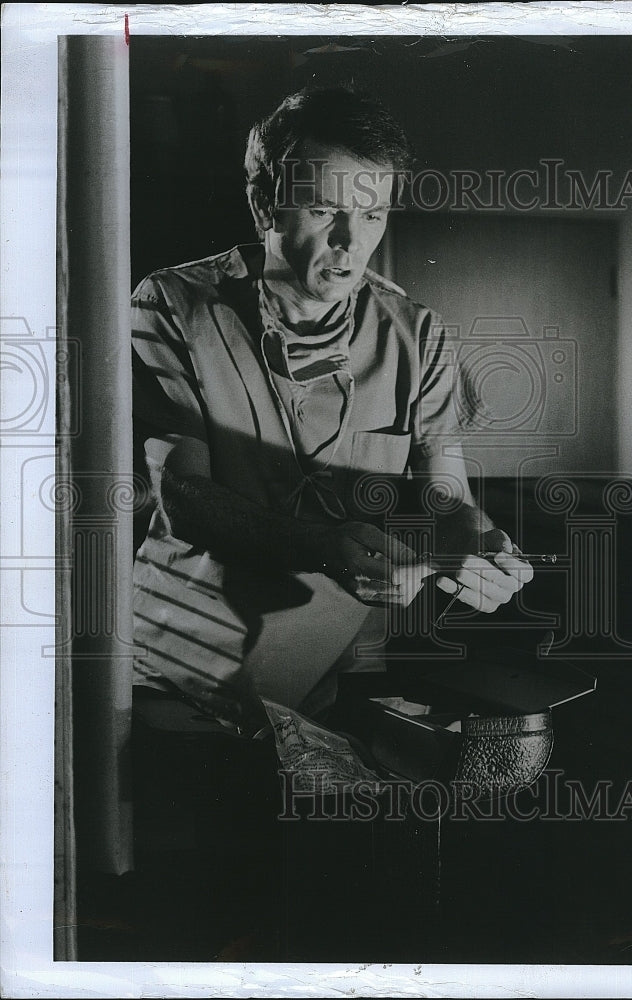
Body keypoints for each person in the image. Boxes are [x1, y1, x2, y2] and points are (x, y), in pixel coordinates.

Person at [131, 86, 533, 732]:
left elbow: (445, 498)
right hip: (176, 684)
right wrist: (321, 546)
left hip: (311, 694)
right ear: (266, 203)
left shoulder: (416, 335)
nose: (350, 241)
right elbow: (183, 495)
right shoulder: (173, 306)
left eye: (373, 216)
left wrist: (476, 543)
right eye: (325, 209)